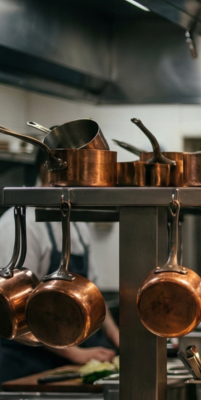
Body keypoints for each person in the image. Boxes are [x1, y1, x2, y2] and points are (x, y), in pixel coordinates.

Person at [0, 155, 119, 383]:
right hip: (27, 359)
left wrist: (116, 336)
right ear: (51, 171)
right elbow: (16, 311)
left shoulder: (77, 222)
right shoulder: (19, 225)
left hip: (68, 352)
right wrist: (76, 354)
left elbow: (92, 295)